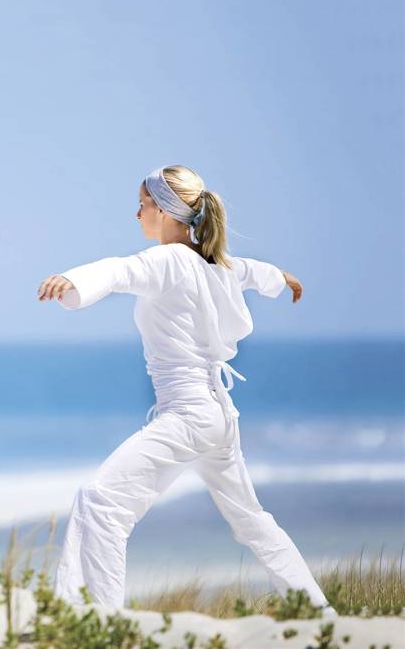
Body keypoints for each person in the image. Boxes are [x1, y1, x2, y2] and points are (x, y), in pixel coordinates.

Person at [36, 164, 338, 619]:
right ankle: (321, 614)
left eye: (142, 205)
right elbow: (251, 271)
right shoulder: (214, 263)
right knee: (252, 522)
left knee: (100, 502)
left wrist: (72, 281)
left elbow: (119, 270)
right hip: (216, 415)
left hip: (189, 415)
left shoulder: (170, 260)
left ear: (163, 210)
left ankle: (92, 622)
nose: (137, 214)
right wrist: (283, 279)